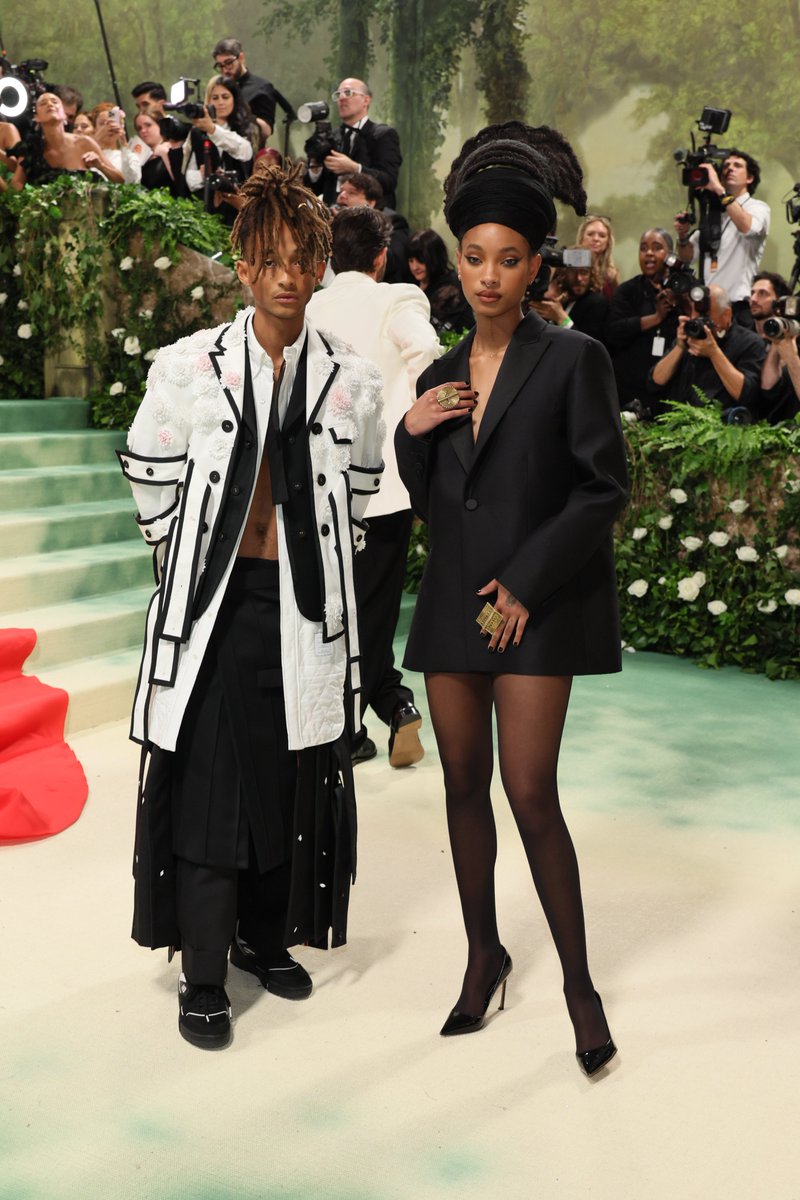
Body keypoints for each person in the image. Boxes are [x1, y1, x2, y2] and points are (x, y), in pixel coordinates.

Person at [116, 159, 385, 1050]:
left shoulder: (350, 378)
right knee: (212, 787)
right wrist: (188, 561)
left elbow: (363, 480)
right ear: (242, 266)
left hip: (302, 612)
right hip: (217, 609)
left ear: (318, 268)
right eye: (266, 259)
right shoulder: (192, 366)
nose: (283, 276)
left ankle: (264, 939)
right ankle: (202, 974)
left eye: (299, 259)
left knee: (289, 771)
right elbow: (147, 467)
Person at [394, 121, 627, 1076]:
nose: (488, 276)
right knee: (460, 785)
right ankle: (483, 954)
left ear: (537, 266)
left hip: (532, 605)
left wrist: (528, 583)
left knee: (530, 793)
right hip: (454, 603)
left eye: (511, 260)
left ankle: (578, 982)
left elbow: (601, 488)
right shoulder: (438, 377)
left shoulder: (574, 360)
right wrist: (411, 433)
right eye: (475, 258)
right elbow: (431, 498)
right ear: (460, 260)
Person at [308, 206, 441, 766]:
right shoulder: (397, 299)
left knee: (330, 607)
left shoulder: (310, 305)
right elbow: (427, 352)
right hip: (383, 483)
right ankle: (383, 707)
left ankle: (363, 716)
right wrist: (412, 424)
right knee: (374, 605)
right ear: (382, 257)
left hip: (315, 480)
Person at [673, 149, 770, 326]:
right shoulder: (714, 214)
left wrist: (719, 189)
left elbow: (747, 227)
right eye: (725, 166)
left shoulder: (758, 208)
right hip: (707, 306)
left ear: (750, 178)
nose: (730, 169)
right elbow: (687, 257)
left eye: (737, 166)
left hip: (739, 309)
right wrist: (683, 236)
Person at [647, 282, 765, 419]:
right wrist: (680, 346)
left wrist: (714, 352)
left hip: (720, 431)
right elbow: (654, 383)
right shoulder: (688, 337)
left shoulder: (750, 343)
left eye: (706, 315)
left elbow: (746, 395)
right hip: (674, 427)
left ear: (726, 315)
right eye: (695, 312)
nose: (698, 320)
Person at [606, 228, 680, 413]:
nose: (649, 253)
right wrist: (656, 318)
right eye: (643, 248)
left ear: (670, 255)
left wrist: (681, 302)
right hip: (628, 389)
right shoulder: (627, 290)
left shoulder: (682, 293)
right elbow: (613, 331)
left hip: (670, 392)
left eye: (656, 248)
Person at [305, 77, 402, 209]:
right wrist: (315, 169)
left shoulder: (383, 134)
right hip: (332, 216)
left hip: (370, 218)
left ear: (366, 100)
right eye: (338, 94)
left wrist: (355, 168)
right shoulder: (330, 137)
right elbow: (313, 189)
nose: (342, 98)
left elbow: (388, 181)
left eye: (348, 92)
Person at [8, 92, 119, 188]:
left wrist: (101, 166)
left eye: (54, 102)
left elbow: (120, 179)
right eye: (43, 103)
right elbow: (17, 184)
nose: (50, 104)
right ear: (37, 117)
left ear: (64, 115)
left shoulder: (84, 142)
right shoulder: (31, 148)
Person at [184, 77, 255, 224]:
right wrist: (203, 176)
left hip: (239, 206)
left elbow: (245, 151)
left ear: (234, 99)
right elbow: (188, 174)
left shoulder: (247, 126)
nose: (220, 102)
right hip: (208, 208)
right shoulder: (197, 132)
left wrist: (212, 129)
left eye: (225, 97)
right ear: (208, 101)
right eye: (215, 98)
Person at [335, 170, 411, 283]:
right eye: (341, 191)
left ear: (370, 203)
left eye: (351, 193)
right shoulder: (336, 223)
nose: (342, 196)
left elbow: (392, 260)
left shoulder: (395, 222)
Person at [748, 271, 800, 423]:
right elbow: (766, 387)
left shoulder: (794, 337)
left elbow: (771, 388)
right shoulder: (743, 337)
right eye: (752, 293)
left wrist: (779, 337)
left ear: (779, 302)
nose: (753, 299)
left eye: (762, 293)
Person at [407, 228, 474, 335]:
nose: (414, 267)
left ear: (434, 257)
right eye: (411, 260)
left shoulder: (451, 288)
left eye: (420, 260)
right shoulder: (415, 280)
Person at [212, 37, 278, 140]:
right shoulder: (218, 87)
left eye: (229, 63)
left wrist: (244, 114)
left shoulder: (262, 88)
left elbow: (267, 131)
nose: (225, 70)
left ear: (241, 57)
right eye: (220, 66)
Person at [530, 257, 609, 342]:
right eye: (573, 271)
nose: (579, 278)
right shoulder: (568, 298)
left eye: (584, 272)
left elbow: (590, 346)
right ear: (565, 273)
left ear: (591, 275)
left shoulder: (597, 302)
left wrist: (562, 318)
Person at [136, 111, 187, 198]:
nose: (143, 131)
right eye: (139, 128)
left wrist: (164, 154)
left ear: (161, 125)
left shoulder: (174, 148)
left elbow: (181, 182)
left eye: (148, 125)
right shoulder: (142, 158)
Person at [90, 103, 141, 184]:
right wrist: (97, 138)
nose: (109, 127)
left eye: (113, 122)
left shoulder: (128, 156)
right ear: (95, 128)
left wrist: (124, 143)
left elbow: (132, 182)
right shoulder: (88, 154)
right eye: (102, 123)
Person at [576, 214, 620, 297]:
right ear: (582, 238)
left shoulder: (611, 274)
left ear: (608, 242)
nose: (596, 239)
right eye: (590, 234)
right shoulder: (568, 263)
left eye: (602, 236)